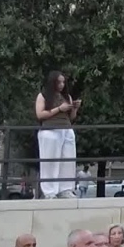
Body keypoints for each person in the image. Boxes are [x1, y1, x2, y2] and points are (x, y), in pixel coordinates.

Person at [35, 71, 81, 199]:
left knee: (68, 161)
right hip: (50, 130)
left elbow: (71, 117)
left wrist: (74, 108)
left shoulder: (67, 96)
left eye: (63, 82)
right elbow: (40, 114)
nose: (62, 85)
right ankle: (49, 192)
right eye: (59, 82)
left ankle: (65, 189)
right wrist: (59, 109)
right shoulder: (43, 96)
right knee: (50, 161)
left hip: (66, 129)